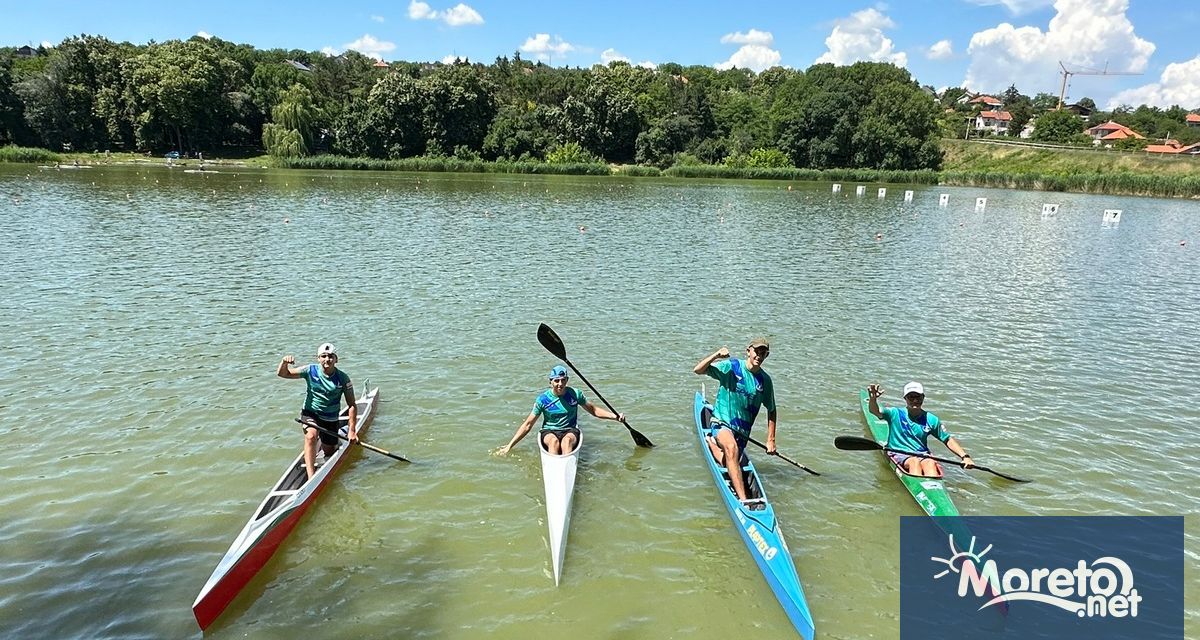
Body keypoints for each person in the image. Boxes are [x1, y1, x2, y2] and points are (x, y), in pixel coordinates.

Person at [693, 338, 777, 502]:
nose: (759, 356)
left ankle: (711, 443)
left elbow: (772, 410)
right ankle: (744, 501)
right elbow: (698, 370)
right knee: (731, 448)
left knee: (730, 462)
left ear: (766, 355)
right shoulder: (732, 367)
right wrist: (717, 354)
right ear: (748, 351)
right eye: (756, 351)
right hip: (721, 423)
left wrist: (771, 440)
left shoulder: (765, 381)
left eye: (763, 353)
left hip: (742, 433)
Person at [498, 365, 625, 456]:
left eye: (563, 380)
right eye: (556, 381)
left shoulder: (575, 394)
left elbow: (594, 410)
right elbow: (528, 425)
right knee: (553, 442)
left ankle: (566, 469)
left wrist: (615, 416)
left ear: (567, 380)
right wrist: (510, 446)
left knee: (567, 441)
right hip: (549, 430)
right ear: (550, 382)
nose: (560, 384)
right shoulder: (543, 399)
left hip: (570, 430)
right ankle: (554, 472)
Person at [277, 343, 357, 480]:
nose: (327, 359)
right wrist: (284, 362)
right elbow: (283, 374)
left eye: (331, 356)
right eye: (323, 356)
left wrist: (352, 430)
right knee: (310, 436)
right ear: (318, 358)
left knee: (329, 451)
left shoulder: (343, 378)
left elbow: (352, 405)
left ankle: (329, 442)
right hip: (310, 414)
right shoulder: (310, 370)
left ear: (336, 359)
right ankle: (311, 478)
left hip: (330, 419)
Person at [866, 382, 973, 477]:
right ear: (905, 399)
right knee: (914, 462)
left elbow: (947, 439)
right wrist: (873, 399)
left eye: (918, 397)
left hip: (922, 454)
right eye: (911, 397)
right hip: (898, 453)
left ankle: (932, 489)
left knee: (930, 463)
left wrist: (965, 457)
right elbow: (874, 411)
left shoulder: (931, 419)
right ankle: (919, 486)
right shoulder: (894, 413)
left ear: (923, 397)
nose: (915, 400)